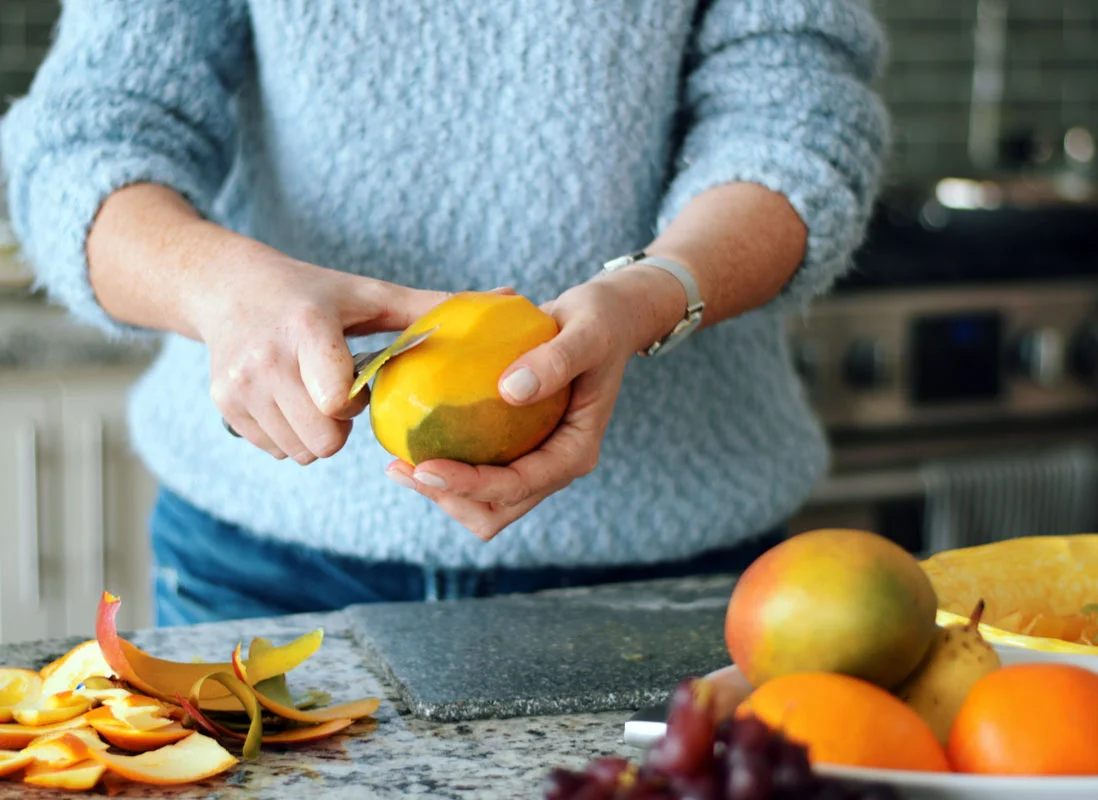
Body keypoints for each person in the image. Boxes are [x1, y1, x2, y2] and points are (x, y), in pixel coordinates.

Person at [1, 0, 889, 625]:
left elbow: (796, 129)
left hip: (671, 564)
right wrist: (220, 287)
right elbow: (86, 140)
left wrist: (655, 293)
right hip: (260, 570)